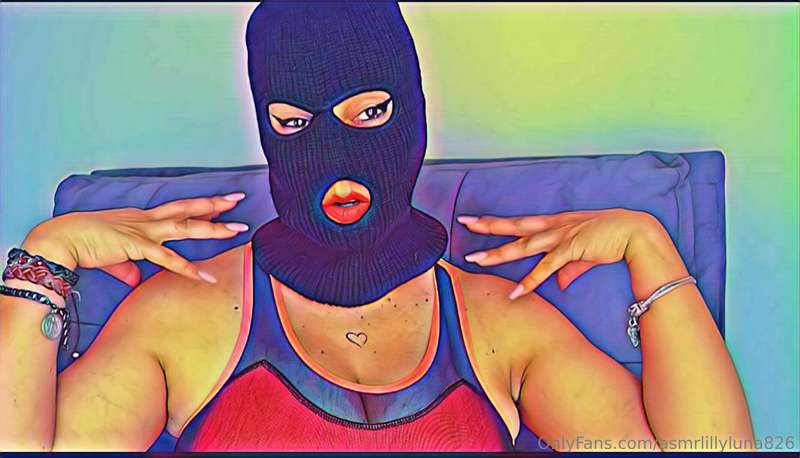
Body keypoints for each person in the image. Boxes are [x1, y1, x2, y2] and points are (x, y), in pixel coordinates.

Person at [0, 1, 753, 452]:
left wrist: (649, 247)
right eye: (295, 124)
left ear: (412, 117)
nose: (336, 157)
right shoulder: (184, 314)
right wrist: (43, 258)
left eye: (370, 114)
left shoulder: (497, 320)